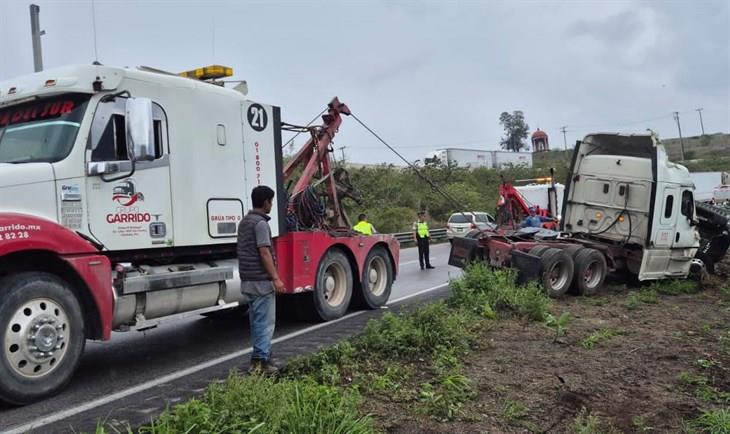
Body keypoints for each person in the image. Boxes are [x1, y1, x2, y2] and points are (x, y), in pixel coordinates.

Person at [237, 185, 285, 375]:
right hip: (261, 282)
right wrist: (276, 278)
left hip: (247, 281)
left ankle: (263, 356)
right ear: (266, 202)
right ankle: (260, 363)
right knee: (265, 323)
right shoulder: (261, 224)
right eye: (271, 201)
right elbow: (264, 251)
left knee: (257, 322)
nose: (271, 205)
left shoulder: (245, 222)